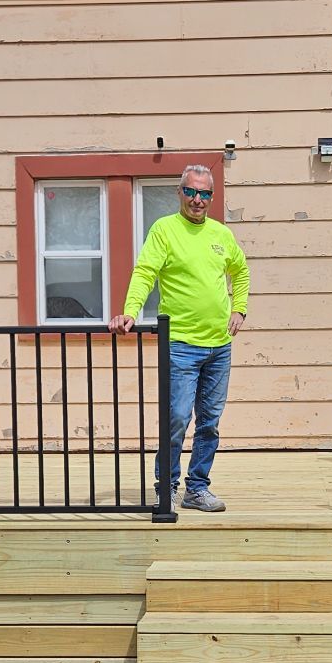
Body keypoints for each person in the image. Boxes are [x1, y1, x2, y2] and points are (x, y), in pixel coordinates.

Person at [110, 164, 249, 512]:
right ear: (180, 193)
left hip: (219, 345)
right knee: (176, 419)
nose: (198, 200)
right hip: (181, 346)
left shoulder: (221, 234)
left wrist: (240, 309)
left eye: (205, 194)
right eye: (191, 192)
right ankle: (166, 487)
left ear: (212, 198)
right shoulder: (165, 230)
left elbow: (241, 271)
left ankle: (197, 489)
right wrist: (130, 310)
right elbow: (145, 272)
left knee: (210, 422)